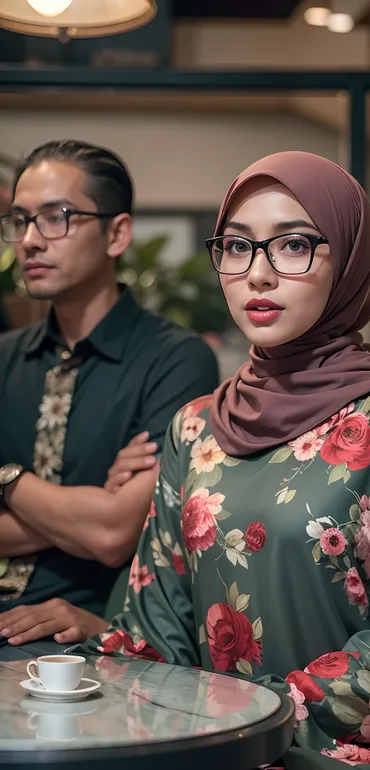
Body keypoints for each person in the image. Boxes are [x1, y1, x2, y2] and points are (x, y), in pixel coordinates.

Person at [78, 151, 370, 770]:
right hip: (206, 750)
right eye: (237, 245)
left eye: (292, 243)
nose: (258, 272)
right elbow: (155, 618)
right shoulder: (193, 426)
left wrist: (259, 721)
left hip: (359, 754)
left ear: (346, 256)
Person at [0, 139, 219, 659]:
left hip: (82, 635)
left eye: (57, 217)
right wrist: (89, 500)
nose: (30, 239)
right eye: (20, 220)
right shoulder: (4, 357)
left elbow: (110, 533)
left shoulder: (176, 359)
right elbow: (103, 518)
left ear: (117, 233)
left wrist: (6, 479)